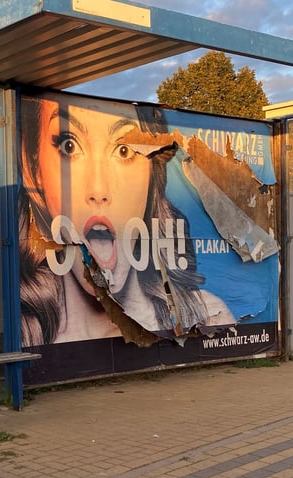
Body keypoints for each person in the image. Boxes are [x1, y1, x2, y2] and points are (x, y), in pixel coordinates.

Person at [17, 91, 233, 346]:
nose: (98, 190)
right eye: (69, 145)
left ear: (152, 175)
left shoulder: (206, 315)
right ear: (33, 172)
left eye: (124, 149)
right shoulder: (22, 332)